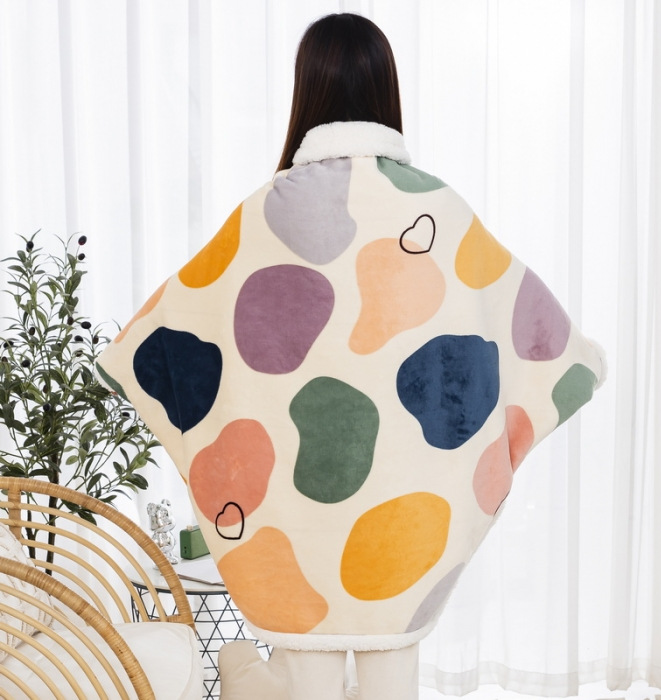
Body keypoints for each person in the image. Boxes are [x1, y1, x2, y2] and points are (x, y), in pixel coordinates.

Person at [96, 12, 606, 700]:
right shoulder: (440, 210)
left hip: (295, 519)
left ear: (305, 93)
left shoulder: (264, 215)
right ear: (387, 89)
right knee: (393, 676)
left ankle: (248, 676)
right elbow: (517, 327)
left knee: (303, 676)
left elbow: (178, 331)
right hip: (408, 514)